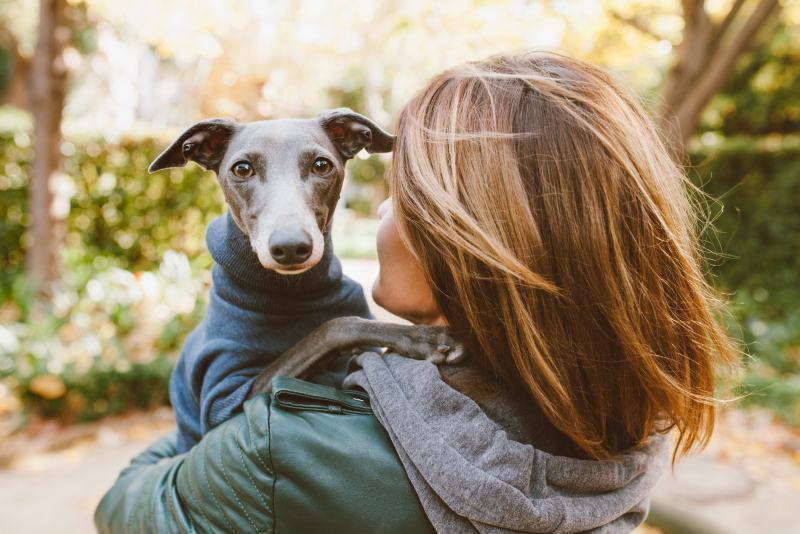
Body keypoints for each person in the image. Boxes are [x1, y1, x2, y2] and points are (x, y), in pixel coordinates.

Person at [95, 51, 736, 533]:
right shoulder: (626, 418)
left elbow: (121, 506)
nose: (378, 208)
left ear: (476, 240)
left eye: (406, 192)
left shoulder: (295, 448)